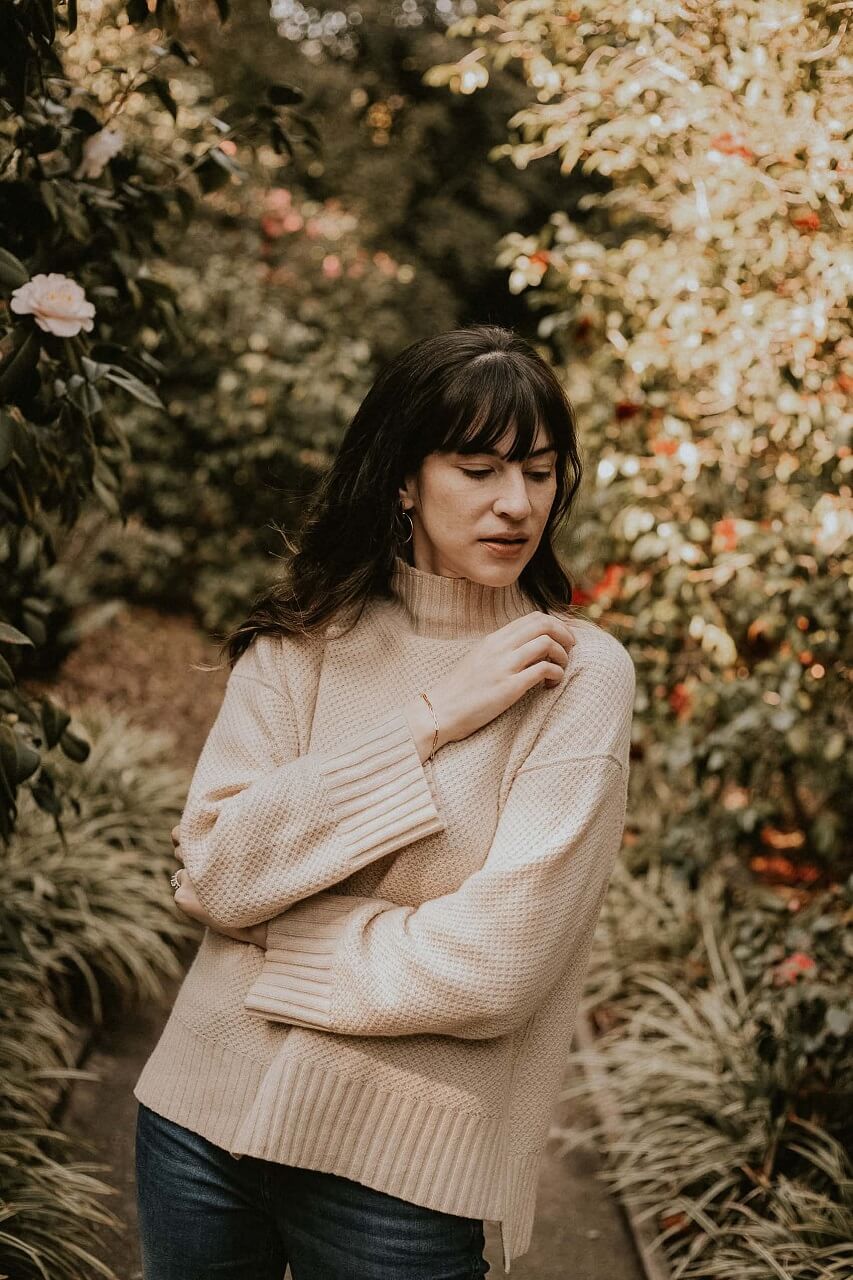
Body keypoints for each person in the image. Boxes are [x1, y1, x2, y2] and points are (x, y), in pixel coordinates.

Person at [133, 323, 636, 1279]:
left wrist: (281, 946)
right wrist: (429, 718)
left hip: (397, 1175)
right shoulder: (302, 640)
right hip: (196, 1123)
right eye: (478, 468)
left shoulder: (579, 677)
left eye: (538, 471)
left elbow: (499, 962)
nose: (515, 502)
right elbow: (216, 868)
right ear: (406, 478)